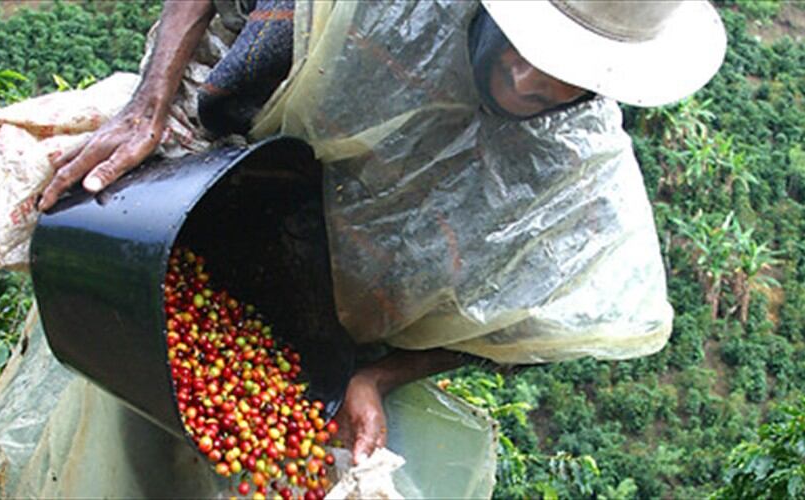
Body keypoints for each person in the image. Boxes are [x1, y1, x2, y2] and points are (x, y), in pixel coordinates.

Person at [36, 0, 726, 467]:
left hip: (319, 337)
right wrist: (147, 106)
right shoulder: (390, 12)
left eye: (567, 72)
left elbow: (537, 327)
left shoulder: (579, 182)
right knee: (118, 431)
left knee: (233, 454)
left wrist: (380, 375)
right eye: (520, 40)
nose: (525, 73)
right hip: (202, 217)